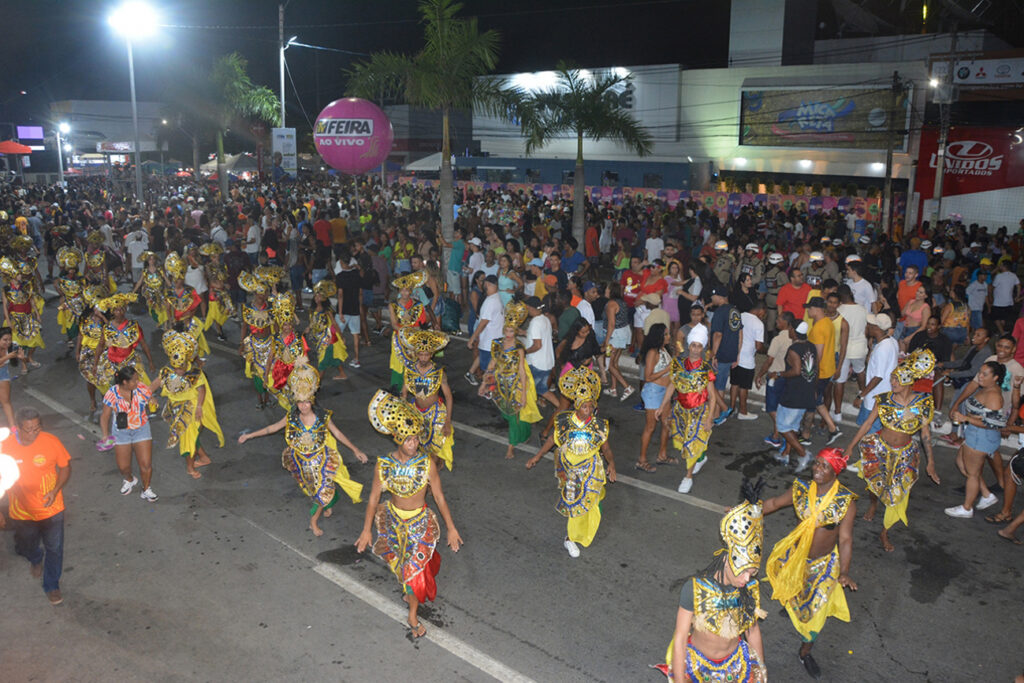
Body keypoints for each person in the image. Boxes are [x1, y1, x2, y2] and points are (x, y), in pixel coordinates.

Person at [357, 390, 463, 638]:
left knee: (414, 574)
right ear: (397, 440)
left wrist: (451, 527)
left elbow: (439, 497)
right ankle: (410, 589)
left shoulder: (427, 464)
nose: (414, 444)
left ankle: (412, 615)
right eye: (408, 440)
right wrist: (365, 530)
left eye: (416, 439)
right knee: (404, 569)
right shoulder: (383, 465)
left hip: (420, 524)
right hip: (393, 522)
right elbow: (373, 498)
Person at [655, 480, 768, 683]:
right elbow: (680, 637)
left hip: (736, 666)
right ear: (727, 560)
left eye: (752, 573)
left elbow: (753, 632)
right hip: (697, 666)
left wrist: (760, 672)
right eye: (743, 572)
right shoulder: (695, 589)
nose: (747, 579)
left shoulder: (749, 588)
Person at [763, 448, 857, 680]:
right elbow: (774, 503)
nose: (817, 469)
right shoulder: (800, 490)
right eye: (816, 463)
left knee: (815, 617)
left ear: (835, 471)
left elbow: (845, 539)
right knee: (792, 593)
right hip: (795, 558)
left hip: (823, 565)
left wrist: (844, 571)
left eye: (824, 466)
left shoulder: (845, 502)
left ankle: (805, 652)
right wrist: (745, 511)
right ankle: (792, 603)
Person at [241, 363, 367, 536]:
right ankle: (326, 505)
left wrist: (355, 449)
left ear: (312, 400)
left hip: (321, 460)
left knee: (323, 489)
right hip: (301, 462)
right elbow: (273, 428)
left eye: (306, 402)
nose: (303, 406)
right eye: (300, 402)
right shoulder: (292, 415)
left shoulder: (322, 416)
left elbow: (337, 433)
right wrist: (250, 436)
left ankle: (313, 521)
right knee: (318, 491)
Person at [844, 350, 939, 552]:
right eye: (892, 379)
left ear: (907, 381)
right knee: (874, 484)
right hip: (879, 449)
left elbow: (925, 435)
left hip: (905, 454)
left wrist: (930, 462)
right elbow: (867, 424)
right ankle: (873, 503)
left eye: (895, 379)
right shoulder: (884, 400)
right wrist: (851, 446)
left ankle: (885, 531)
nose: (892, 383)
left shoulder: (923, 402)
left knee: (899, 494)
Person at [526, 366, 616, 558]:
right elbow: (552, 439)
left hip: (592, 469)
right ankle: (570, 538)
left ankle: (583, 533)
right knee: (575, 504)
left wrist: (612, 465)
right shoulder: (564, 422)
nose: (589, 409)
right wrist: (537, 456)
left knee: (592, 503)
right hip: (572, 471)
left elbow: (606, 448)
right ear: (577, 406)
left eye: (591, 406)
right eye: (585, 406)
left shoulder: (598, 425)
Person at [1, 407, 72, 605]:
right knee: (26, 545)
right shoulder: (4, 447)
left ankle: (52, 585)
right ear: (17, 429)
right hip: (21, 512)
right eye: (28, 429)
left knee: (55, 548)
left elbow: (65, 468)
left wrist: (56, 489)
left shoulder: (51, 442)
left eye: (37, 428)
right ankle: (34, 558)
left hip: (52, 509)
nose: (33, 433)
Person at [147, 330, 225, 480]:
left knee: (188, 439)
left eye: (181, 367)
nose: (179, 371)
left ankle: (190, 467)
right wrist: (152, 398)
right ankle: (203, 458)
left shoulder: (195, 372)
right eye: (176, 367)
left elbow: (202, 390)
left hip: (193, 407)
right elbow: (150, 388)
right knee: (191, 436)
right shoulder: (166, 372)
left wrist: (199, 407)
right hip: (176, 409)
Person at [657, 325, 721, 494]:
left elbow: (712, 396)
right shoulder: (678, 364)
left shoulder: (706, 369)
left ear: (703, 348)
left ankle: (688, 476)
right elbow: (672, 385)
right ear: (688, 345)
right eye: (693, 345)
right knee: (685, 442)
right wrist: (662, 406)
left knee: (692, 444)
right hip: (680, 411)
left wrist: (709, 418)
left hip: (699, 413)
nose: (695, 349)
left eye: (699, 346)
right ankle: (701, 457)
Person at [480, 301, 543, 459]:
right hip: (501, 385)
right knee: (510, 415)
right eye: (507, 330)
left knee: (514, 416)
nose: (509, 333)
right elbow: (492, 363)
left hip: (516, 385)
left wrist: (522, 393)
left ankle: (510, 447)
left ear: (515, 331)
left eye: (511, 331)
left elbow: (522, 369)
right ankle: (524, 433)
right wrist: (484, 382)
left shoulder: (519, 348)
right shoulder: (498, 345)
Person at [946, 361, 1007, 518]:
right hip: (974, 434)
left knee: (973, 473)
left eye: (984, 374)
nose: (980, 376)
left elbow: (994, 424)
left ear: (995, 378)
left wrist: (966, 418)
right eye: (980, 372)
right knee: (962, 463)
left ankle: (967, 508)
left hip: (981, 438)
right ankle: (986, 494)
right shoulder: (985, 389)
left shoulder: (993, 395)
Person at [97, 365, 159, 502]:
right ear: (125, 382)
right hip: (121, 433)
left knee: (146, 464)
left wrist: (152, 400)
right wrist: (105, 435)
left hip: (141, 429)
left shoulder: (141, 388)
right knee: (123, 467)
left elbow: (150, 396)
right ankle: (129, 479)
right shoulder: (112, 394)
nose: (138, 382)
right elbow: (105, 416)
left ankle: (146, 489)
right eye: (134, 380)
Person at [400, 328, 455, 471]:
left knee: (434, 452)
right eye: (421, 354)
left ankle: (432, 481)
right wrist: (403, 412)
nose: (423, 358)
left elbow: (449, 397)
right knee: (418, 448)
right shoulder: (410, 370)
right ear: (416, 353)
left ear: (431, 354)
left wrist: (447, 422)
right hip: (416, 412)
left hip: (436, 413)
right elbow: (404, 392)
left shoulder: (439, 372)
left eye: (426, 355)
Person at [774, 322, 818, 469]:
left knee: (782, 427)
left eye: (790, 328)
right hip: (807, 391)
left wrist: (779, 374)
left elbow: (797, 371)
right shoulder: (811, 346)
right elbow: (815, 368)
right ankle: (785, 454)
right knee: (792, 426)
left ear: (793, 331)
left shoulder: (794, 349)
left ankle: (803, 454)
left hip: (794, 393)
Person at [93, 293, 157, 394]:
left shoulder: (133, 326)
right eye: (116, 310)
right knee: (112, 389)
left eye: (121, 309)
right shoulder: (107, 329)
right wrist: (95, 364)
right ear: (112, 311)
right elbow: (100, 347)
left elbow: (143, 344)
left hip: (130, 362)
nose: (119, 312)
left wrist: (150, 361)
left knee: (138, 387)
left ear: (125, 309)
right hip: (112, 363)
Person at [635, 322, 674, 472]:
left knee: (667, 424)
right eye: (666, 334)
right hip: (653, 392)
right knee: (650, 427)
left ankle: (662, 455)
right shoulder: (653, 352)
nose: (669, 336)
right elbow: (648, 376)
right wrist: (667, 369)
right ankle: (641, 460)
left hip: (665, 392)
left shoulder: (664, 350)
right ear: (659, 336)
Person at [804, 297, 843, 443]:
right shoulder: (828, 322)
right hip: (827, 369)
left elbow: (817, 355)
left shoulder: (819, 327)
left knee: (810, 402)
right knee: (817, 400)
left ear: (816, 309)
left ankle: (806, 436)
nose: (808, 310)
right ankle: (833, 429)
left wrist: (810, 374)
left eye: (809, 308)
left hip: (819, 372)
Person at [264, 294, 310, 411]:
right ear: (280, 325)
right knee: (286, 399)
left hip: (295, 371)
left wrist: (306, 375)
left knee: (297, 398)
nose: (287, 327)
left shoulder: (298, 337)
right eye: (285, 324)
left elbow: (305, 357)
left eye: (289, 324)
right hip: (280, 371)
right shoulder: (276, 338)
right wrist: (265, 377)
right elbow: (270, 357)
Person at [757, 311, 796, 449]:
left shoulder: (778, 340)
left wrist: (759, 374)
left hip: (775, 377)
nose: (776, 321)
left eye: (779, 319)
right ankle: (775, 436)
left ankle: (785, 432)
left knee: (771, 408)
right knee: (781, 407)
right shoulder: (794, 338)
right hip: (788, 377)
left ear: (786, 323)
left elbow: (769, 360)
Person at [855, 313, 899, 428]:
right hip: (882, 395)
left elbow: (878, 376)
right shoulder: (892, 341)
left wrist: (861, 396)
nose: (866, 327)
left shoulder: (882, 348)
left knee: (869, 433)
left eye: (869, 325)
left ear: (876, 328)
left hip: (875, 397)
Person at [238, 270, 274, 410]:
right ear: (256, 293)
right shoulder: (247, 308)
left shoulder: (270, 308)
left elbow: (275, 327)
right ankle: (260, 399)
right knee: (256, 375)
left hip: (269, 343)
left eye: (265, 292)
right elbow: (244, 327)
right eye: (262, 293)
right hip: (253, 345)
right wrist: (242, 344)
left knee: (269, 372)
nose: (264, 295)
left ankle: (268, 398)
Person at [0, 256, 45, 367]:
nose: (21, 276)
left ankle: (29, 357)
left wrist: (37, 315)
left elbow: (32, 301)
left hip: (28, 316)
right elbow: (5, 307)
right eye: (19, 274)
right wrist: (8, 321)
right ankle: (24, 364)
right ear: (13, 276)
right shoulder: (6, 289)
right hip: (15, 318)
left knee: (35, 340)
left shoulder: (26, 286)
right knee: (19, 343)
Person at [709, 285, 743, 424]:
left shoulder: (720, 311)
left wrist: (713, 355)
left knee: (718, 386)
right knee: (720, 384)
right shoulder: (735, 311)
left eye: (713, 296)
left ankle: (718, 414)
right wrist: (737, 354)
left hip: (721, 354)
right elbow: (740, 333)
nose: (712, 298)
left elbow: (718, 334)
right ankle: (718, 413)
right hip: (731, 353)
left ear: (720, 296)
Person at [834, 285, 867, 422]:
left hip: (843, 349)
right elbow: (866, 328)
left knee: (840, 381)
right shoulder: (862, 309)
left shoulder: (838, 310)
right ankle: (863, 395)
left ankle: (837, 413)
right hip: (859, 347)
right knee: (860, 371)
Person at [307, 280, 349, 381]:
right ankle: (342, 374)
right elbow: (313, 322)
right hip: (318, 338)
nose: (317, 298)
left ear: (324, 298)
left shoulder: (326, 310)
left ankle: (317, 384)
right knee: (333, 359)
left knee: (322, 362)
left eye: (319, 296)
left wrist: (341, 336)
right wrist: (309, 328)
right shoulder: (312, 309)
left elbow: (334, 323)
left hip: (327, 338)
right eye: (316, 296)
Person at [731, 301, 765, 420]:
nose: (763, 315)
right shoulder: (759, 323)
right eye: (763, 313)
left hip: (735, 356)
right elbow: (758, 346)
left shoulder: (740, 316)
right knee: (744, 386)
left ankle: (731, 408)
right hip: (747, 359)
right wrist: (764, 349)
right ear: (760, 310)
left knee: (734, 384)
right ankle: (743, 412)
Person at [523, 296, 558, 408]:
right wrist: (523, 332)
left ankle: (529, 414)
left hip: (536, 363)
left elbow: (537, 345)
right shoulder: (545, 319)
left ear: (529, 307)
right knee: (542, 390)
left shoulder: (535, 323)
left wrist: (525, 352)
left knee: (528, 390)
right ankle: (561, 408)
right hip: (546, 363)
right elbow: (539, 335)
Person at [334, 248, 363, 369]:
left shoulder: (340, 276)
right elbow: (360, 292)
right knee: (356, 334)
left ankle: (338, 356)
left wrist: (340, 313)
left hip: (344, 309)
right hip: (355, 308)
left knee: (337, 333)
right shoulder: (356, 273)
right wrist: (360, 307)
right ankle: (356, 359)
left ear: (341, 262)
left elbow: (340, 295)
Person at [201, 242, 234, 342]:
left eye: (218, 256)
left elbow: (225, 278)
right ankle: (220, 332)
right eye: (215, 257)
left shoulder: (222, 266)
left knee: (227, 311)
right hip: (214, 293)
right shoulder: (209, 267)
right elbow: (212, 282)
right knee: (216, 313)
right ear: (211, 257)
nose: (217, 258)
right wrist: (222, 285)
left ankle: (220, 329)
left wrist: (225, 284)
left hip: (223, 292)